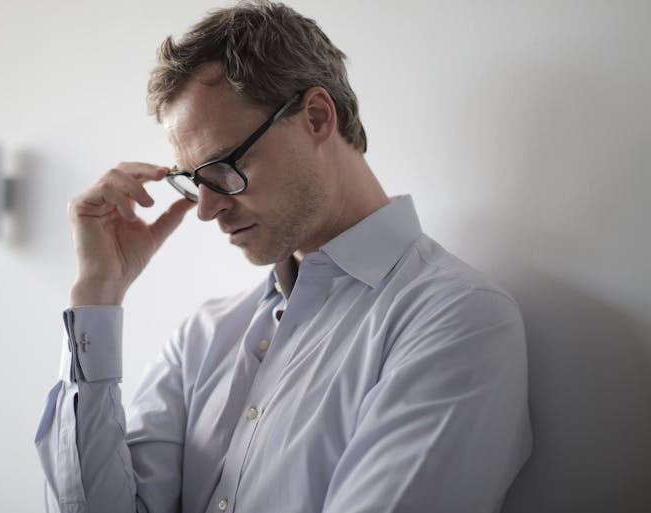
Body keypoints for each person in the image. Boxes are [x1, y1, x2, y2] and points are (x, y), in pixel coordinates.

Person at [35, 2, 532, 512]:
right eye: (193, 180)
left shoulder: (455, 320)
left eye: (225, 165)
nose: (206, 210)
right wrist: (98, 292)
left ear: (316, 117)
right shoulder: (203, 338)